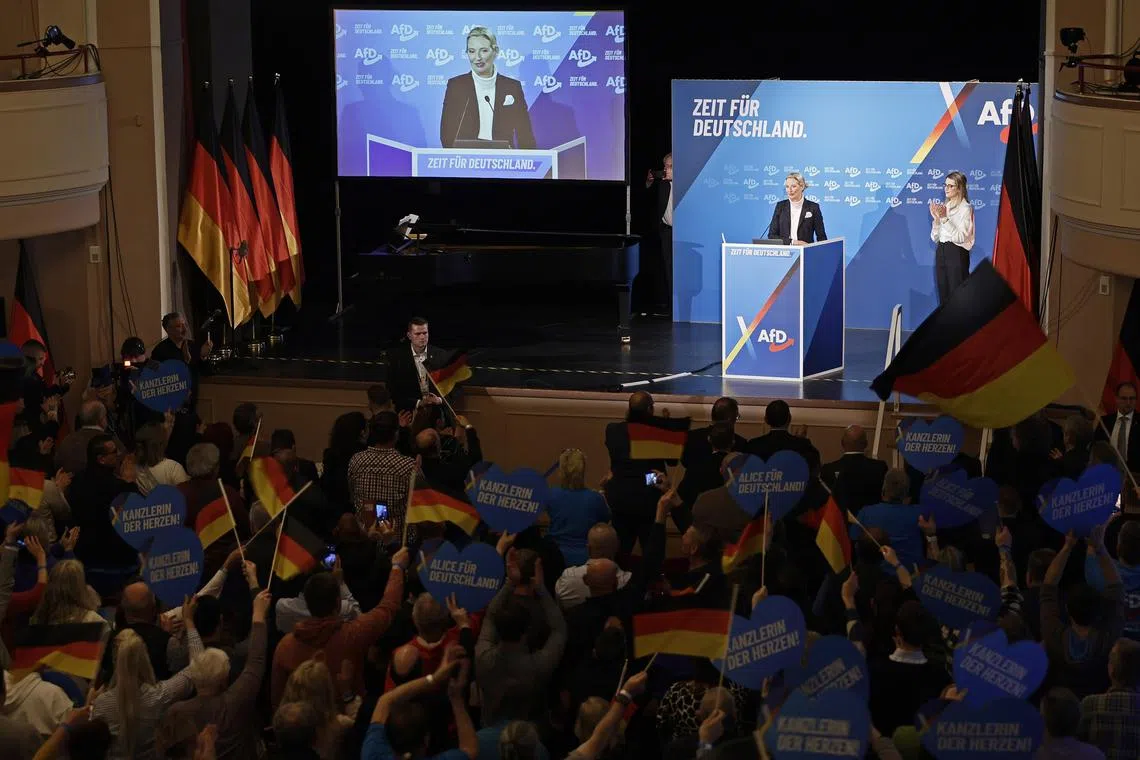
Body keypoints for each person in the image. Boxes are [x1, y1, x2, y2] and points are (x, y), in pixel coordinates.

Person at [439, 26, 536, 150]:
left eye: (484, 51)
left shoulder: (512, 87)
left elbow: (525, 136)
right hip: (466, 157)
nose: (477, 57)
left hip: (503, 157)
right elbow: (446, 134)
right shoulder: (456, 86)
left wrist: (527, 159)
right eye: (472, 51)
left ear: (495, 51)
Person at [929, 170, 976, 304]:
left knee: (958, 296)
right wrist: (936, 220)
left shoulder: (965, 208)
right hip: (941, 251)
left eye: (951, 186)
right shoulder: (945, 207)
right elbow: (935, 237)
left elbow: (961, 237)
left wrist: (944, 219)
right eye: (945, 185)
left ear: (960, 188)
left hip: (957, 253)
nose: (946, 189)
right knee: (943, 296)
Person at [385, 317, 448, 414]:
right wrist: (419, 403)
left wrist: (439, 400)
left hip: (437, 412)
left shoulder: (441, 355)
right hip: (408, 413)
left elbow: (454, 388)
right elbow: (392, 389)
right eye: (418, 334)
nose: (422, 337)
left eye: (425, 333)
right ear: (409, 335)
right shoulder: (397, 358)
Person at [645, 153, 674, 315]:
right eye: (665, 167)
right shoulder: (662, 183)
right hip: (666, 231)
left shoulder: (685, 183)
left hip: (683, 232)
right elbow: (647, 194)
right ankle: (670, 305)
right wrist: (649, 181)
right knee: (668, 268)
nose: (665, 170)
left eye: (669, 167)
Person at [766, 172, 826, 245]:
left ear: (802, 186)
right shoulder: (780, 206)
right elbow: (772, 236)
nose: (789, 190)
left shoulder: (813, 207)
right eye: (787, 186)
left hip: (805, 250)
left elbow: (822, 237)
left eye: (793, 186)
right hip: (785, 250)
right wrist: (793, 242)